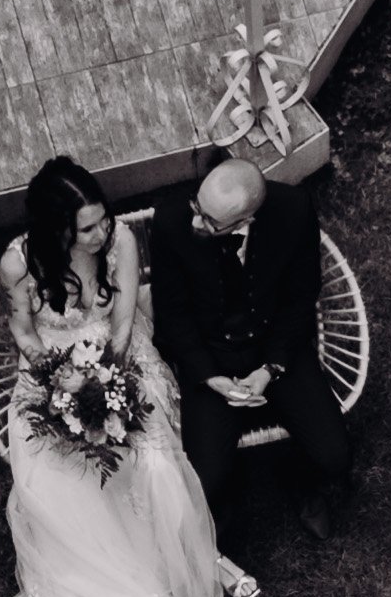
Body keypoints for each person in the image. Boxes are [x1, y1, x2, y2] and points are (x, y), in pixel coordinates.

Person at [0, 157, 242, 597]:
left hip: (122, 366)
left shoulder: (122, 244)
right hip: (51, 379)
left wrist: (106, 379)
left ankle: (179, 566)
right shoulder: (19, 265)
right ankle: (113, 591)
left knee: (152, 467)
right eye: (87, 227)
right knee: (66, 483)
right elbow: (24, 334)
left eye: (103, 219)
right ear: (55, 229)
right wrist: (64, 388)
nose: (101, 232)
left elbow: (126, 321)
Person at [147, 150, 354, 544]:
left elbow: (301, 297)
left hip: (274, 347)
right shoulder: (172, 221)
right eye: (198, 206)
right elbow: (173, 313)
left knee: (335, 457)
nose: (196, 220)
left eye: (209, 222)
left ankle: (299, 481)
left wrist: (271, 368)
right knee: (206, 480)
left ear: (246, 220)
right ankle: (227, 502)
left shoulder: (294, 211)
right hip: (210, 353)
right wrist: (209, 375)